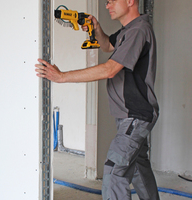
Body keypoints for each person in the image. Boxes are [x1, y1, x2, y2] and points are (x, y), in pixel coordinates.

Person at [35, 0, 160, 199]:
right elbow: (107, 45)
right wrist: (97, 29)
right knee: (138, 168)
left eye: (112, 0)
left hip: (135, 117)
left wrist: (62, 76)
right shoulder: (129, 30)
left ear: (130, 1)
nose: (107, 4)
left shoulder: (138, 31)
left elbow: (110, 70)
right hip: (132, 115)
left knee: (114, 172)